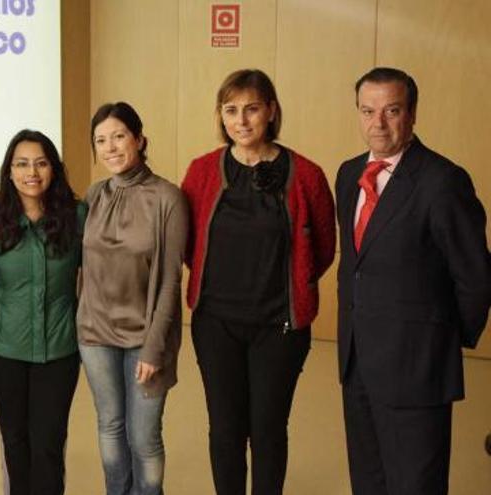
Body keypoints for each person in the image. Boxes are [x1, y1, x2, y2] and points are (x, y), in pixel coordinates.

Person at [181, 69, 336, 495]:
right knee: (226, 430)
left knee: (268, 430)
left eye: (251, 108)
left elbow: (321, 249)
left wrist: (292, 288)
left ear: (270, 110)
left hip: (279, 327)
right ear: (221, 116)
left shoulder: (306, 175)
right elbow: (186, 243)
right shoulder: (200, 172)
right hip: (216, 324)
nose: (241, 120)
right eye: (231, 110)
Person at [336, 67, 491, 494]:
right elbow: (355, 265)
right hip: (358, 363)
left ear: (412, 114)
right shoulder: (349, 175)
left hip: (417, 368)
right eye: (368, 111)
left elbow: (476, 276)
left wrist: (440, 340)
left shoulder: (443, 181)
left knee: (415, 486)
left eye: (391, 111)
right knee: (368, 481)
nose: (378, 124)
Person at [77, 101, 188, 495]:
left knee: (144, 438)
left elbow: (171, 282)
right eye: (100, 140)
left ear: (139, 139)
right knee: (109, 426)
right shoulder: (94, 195)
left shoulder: (167, 198)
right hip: (94, 334)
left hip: (146, 338)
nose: (110, 147)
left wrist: (154, 349)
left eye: (118, 136)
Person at [0, 130, 86, 495]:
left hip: (59, 351)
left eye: (41, 163)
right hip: (4, 351)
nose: (32, 172)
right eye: (22, 164)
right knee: (15, 443)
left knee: (48, 445)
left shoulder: (77, 216)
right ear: (9, 171)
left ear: (54, 169)